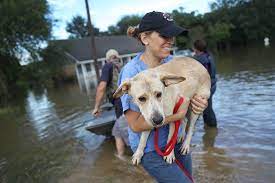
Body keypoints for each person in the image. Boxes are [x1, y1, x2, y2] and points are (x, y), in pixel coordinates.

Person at [118, 11, 208, 182]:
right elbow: (136, 125)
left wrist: (198, 103)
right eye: (164, 35)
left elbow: (188, 94)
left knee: (190, 179)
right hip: (150, 150)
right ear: (145, 38)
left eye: (172, 35)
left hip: (177, 140)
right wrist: (177, 115)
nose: (171, 40)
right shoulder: (131, 73)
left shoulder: (174, 63)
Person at [92, 49, 129, 159]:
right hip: (127, 101)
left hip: (121, 102)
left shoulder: (107, 66)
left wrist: (96, 107)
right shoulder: (122, 67)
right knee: (116, 131)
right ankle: (121, 156)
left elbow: (102, 87)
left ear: (107, 59)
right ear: (117, 57)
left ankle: (143, 159)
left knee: (126, 131)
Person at [193, 39, 217, 127]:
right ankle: (209, 128)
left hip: (207, 87)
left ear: (196, 48)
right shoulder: (208, 55)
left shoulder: (200, 59)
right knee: (206, 107)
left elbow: (202, 76)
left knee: (207, 108)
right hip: (213, 84)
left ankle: (212, 127)